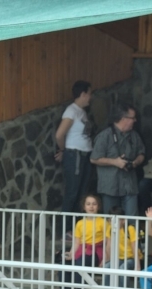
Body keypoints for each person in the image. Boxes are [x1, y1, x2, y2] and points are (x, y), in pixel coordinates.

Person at [53, 194, 108, 289]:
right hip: (81, 251)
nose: (91, 207)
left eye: (94, 204)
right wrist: (71, 254)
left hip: (95, 252)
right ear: (84, 207)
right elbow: (77, 243)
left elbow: (108, 243)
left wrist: (105, 259)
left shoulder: (103, 222)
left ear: (98, 206)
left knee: (80, 264)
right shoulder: (79, 223)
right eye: (88, 204)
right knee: (64, 264)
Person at [90, 103, 145, 217]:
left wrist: (135, 162)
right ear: (123, 118)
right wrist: (115, 162)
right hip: (110, 186)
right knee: (111, 223)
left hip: (129, 186)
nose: (135, 120)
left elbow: (141, 153)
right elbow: (94, 159)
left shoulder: (134, 135)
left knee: (131, 221)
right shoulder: (105, 136)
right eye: (132, 118)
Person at [55, 81, 94, 219]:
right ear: (83, 94)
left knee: (82, 192)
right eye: (89, 93)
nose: (90, 97)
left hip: (84, 154)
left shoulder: (81, 112)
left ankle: (77, 227)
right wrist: (64, 150)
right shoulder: (71, 111)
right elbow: (60, 134)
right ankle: (65, 229)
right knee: (73, 191)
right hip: (75, 154)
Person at [103, 206, 142, 289]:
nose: (113, 221)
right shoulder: (110, 229)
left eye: (117, 219)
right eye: (111, 219)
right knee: (107, 268)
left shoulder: (129, 229)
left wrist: (137, 266)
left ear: (123, 220)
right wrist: (106, 260)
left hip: (131, 258)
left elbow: (135, 247)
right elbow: (108, 246)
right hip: (118, 258)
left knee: (122, 269)